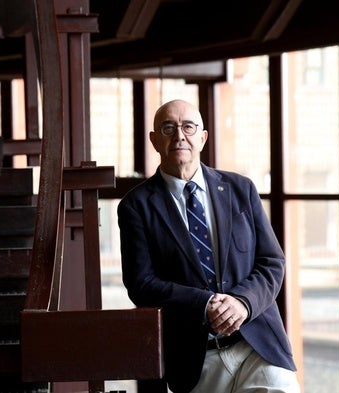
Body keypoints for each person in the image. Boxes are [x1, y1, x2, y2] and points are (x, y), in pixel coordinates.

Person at [117, 99, 299, 393]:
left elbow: (271, 262)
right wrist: (204, 303)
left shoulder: (241, 189)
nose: (180, 136)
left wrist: (242, 302)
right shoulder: (136, 206)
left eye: (188, 127)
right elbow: (141, 284)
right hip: (196, 357)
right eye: (168, 128)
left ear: (202, 137)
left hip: (256, 344)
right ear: (154, 140)